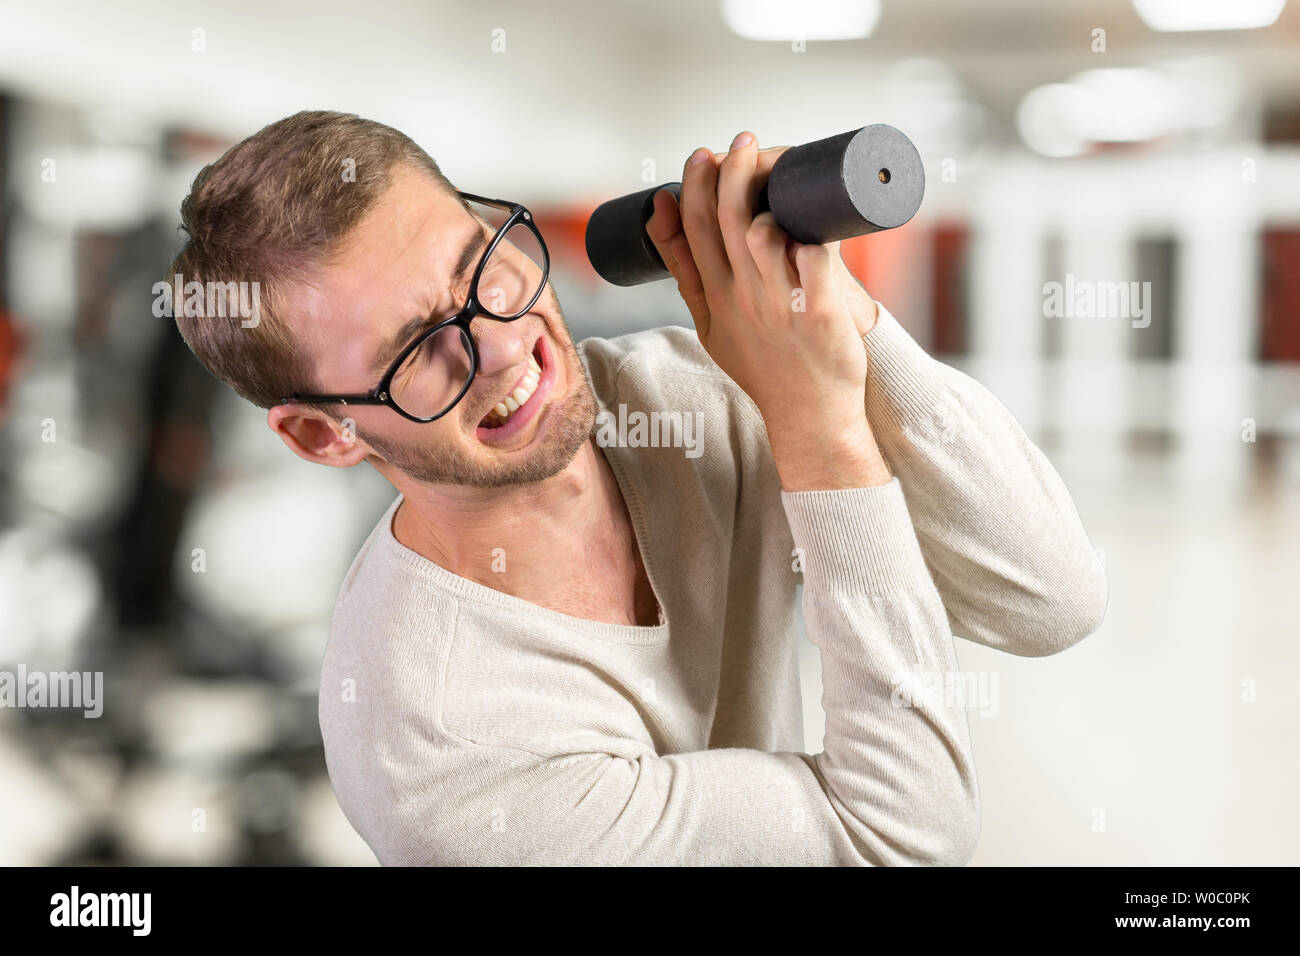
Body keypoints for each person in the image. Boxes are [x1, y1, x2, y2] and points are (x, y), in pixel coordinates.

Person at [166, 111, 1107, 865]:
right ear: (323, 435)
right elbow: (903, 838)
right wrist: (818, 426)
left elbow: (1048, 597)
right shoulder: (440, 747)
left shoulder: (691, 398)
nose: (499, 343)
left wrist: (840, 315)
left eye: (480, 266)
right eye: (415, 350)